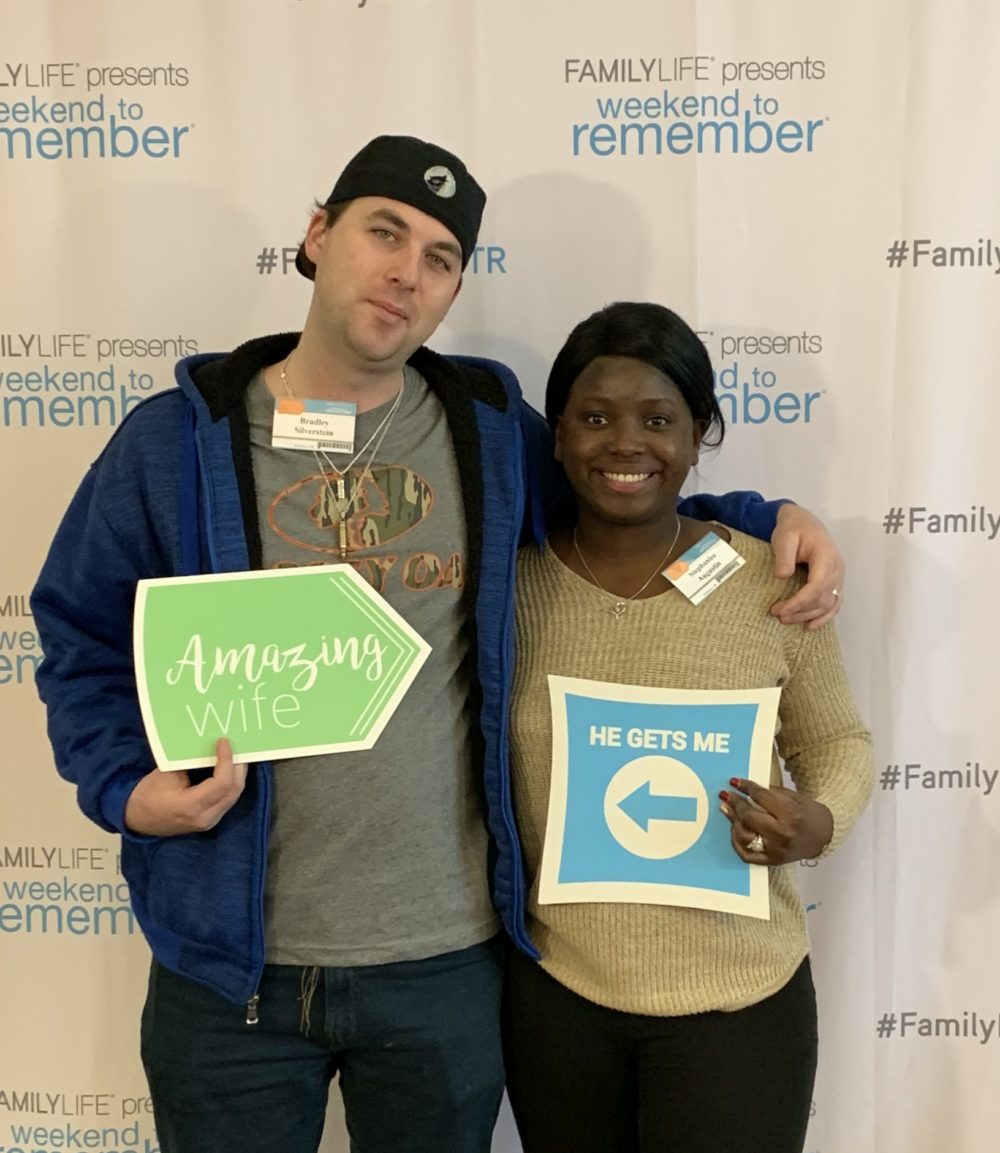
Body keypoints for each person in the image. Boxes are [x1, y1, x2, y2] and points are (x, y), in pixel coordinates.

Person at [32, 138, 844, 1153]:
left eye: (439, 257)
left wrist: (766, 518)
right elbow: (80, 635)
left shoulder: (488, 428)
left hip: (444, 966)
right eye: (384, 233)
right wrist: (123, 788)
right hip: (230, 971)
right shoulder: (173, 443)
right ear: (317, 235)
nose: (405, 272)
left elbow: (621, 492)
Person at [503, 302, 873, 1153]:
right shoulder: (509, 593)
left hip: (742, 1007)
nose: (625, 444)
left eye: (658, 419)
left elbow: (836, 742)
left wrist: (819, 821)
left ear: (700, 433)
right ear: (556, 437)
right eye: (595, 418)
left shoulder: (770, 582)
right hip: (559, 1001)